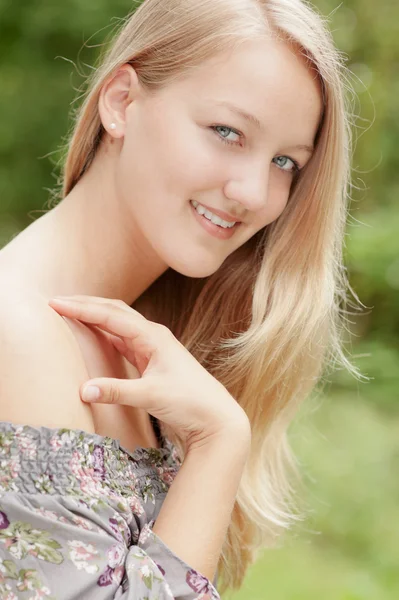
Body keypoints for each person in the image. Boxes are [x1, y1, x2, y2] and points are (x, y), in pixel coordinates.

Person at [0, 0, 364, 598]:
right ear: (121, 102)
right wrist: (220, 444)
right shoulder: (20, 335)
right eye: (227, 132)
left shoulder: (146, 345)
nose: (253, 191)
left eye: (284, 162)